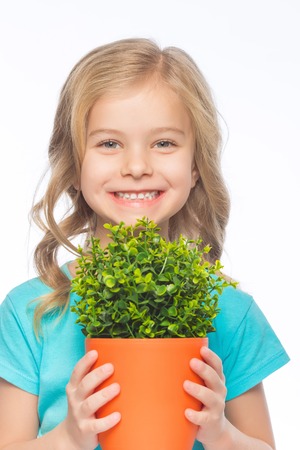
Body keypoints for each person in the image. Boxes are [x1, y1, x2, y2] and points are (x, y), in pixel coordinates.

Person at [0, 38, 289, 450]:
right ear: (74, 163)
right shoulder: (31, 312)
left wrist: (221, 434)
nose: (137, 166)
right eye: (109, 143)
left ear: (195, 167)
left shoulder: (230, 312)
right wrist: (67, 437)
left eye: (164, 143)